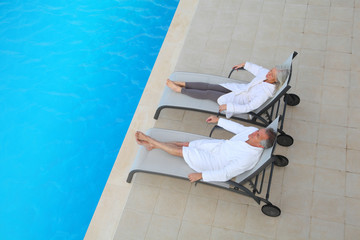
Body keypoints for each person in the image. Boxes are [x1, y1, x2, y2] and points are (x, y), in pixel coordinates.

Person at [135, 115, 276, 182]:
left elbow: (226, 173)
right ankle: (153, 145)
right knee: (184, 144)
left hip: (214, 162)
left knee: (182, 151)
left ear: (259, 145)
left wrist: (201, 175)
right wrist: (219, 120)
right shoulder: (251, 131)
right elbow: (238, 128)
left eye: (257, 135)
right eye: (257, 130)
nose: (253, 132)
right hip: (218, 146)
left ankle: (150, 140)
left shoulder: (248, 158)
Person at [166, 62, 289, 118]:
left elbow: (249, 107)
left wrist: (229, 107)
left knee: (208, 93)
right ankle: (183, 83)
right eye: (270, 71)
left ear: (276, 81)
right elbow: (259, 70)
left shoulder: (264, 94)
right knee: (211, 86)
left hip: (237, 100)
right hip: (237, 89)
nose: (268, 74)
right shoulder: (266, 75)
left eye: (271, 75)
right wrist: (246, 65)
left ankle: (179, 90)